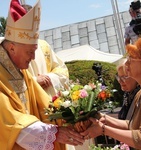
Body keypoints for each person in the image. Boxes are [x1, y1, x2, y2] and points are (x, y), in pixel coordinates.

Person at [0, 0, 84, 149]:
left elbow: (44, 103)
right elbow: (9, 123)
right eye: (30, 51)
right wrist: (54, 133)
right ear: (12, 48)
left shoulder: (20, 71)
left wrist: (72, 116)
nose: (33, 57)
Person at [80, 37, 141, 150]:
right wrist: (102, 118)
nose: (127, 63)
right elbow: (131, 125)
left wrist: (103, 129)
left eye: (131, 59)